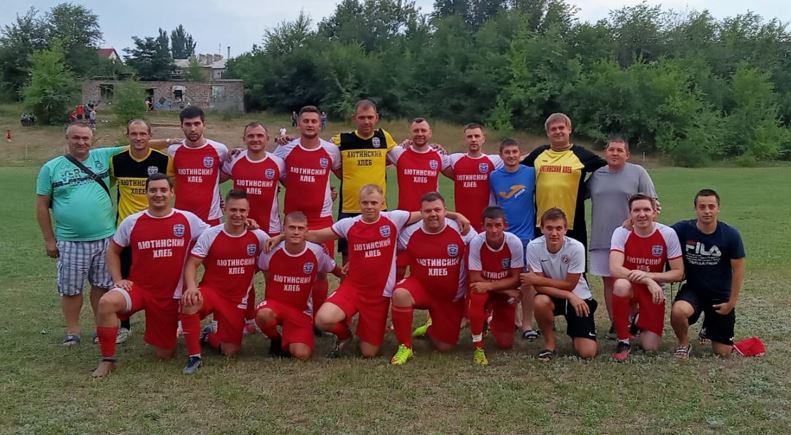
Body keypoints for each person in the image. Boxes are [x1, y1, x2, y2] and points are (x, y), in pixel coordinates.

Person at [274, 184, 413, 358]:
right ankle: (344, 334)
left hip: (379, 294)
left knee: (369, 352)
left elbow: (426, 214)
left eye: (374, 203)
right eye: (365, 203)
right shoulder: (349, 224)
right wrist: (283, 236)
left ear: (382, 202)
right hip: (353, 288)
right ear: (359, 203)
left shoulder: (394, 218)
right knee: (322, 319)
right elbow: (316, 236)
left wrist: (448, 215)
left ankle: (368, 328)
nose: (369, 207)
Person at [92, 173, 209, 377]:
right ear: (146, 193)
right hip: (139, 288)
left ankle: (175, 329)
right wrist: (118, 280)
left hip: (169, 296)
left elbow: (214, 236)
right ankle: (107, 360)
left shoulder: (188, 219)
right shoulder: (132, 222)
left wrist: (246, 224)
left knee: (164, 354)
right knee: (106, 302)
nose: (158, 194)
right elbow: (113, 251)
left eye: (163, 190)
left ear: (172, 192)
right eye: (153, 190)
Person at [35, 122, 125, 345]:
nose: (81, 142)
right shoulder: (51, 168)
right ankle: (73, 331)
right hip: (71, 241)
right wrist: (49, 240)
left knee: (102, 286)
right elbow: (42, 205)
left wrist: (170, 142)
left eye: (85, 138)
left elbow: (136, 144)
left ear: (92, 140)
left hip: (106, 238)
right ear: (67, 139)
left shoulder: (102, 156)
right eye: (76, 138)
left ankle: (100, 328)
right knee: (71, 289)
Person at [179, 190, 269, 374]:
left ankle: (208, 335)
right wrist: (191, 287)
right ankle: (194, 356)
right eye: (233, 210)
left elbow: (278, 247)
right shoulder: (210, 234)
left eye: (242, 211)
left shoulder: (259, 236)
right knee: (190, 301)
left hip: (236, 300)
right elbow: (192, 264)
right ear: (225, 209)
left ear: (248, 211)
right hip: (212, 291)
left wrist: (283, 237)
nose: (238, 214)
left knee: (230, 351)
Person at [390, 192, 476, 365]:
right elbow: (388, 248)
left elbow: (481, 249)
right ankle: (405, 346)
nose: (433, 214)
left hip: (450, 297)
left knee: (445, 347)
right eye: (428, 211)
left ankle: (430, 329)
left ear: (445, 210)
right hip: (421, 290)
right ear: (421, 213)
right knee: (400, 293)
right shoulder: (409, 233)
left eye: (437, 210)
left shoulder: (461, 229)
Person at [110, 119, 176, 342]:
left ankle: (167, 320)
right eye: (134, 133)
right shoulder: (116, 161)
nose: (138, 138)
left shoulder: (164, 160)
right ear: (127, 135)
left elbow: (172, 189)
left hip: (157, 229)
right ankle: (124, 326)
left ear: (150, 135)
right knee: (126, 277)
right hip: (127, 230)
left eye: (142, 134)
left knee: (162, 277)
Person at [273, 105, 341, 322]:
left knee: (321, 271)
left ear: (320, 124)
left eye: (314, 121)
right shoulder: (285, 148)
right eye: (306, 121)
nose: (310, 125)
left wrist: (329, 192)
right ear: (298, 123)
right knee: (293, 270)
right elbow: (274, 171)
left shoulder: (331, 150)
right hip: (293, 220)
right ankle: (293, 313)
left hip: (321, 219)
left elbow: (342, 174)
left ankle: (318, 318)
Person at [587, 138, 657, 338]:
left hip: (631, 237)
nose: (615, 153)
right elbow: (576, 194)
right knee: (609, 282)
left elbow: (653, 204)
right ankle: (616, 322)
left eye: (620, 150)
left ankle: (634, 318)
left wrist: (636, 222)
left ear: (627, 154)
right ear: (605, 152)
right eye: (611, 149)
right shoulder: (597, 175)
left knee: (631, 279)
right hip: (602, 236)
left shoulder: (638, 172)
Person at [255, 211, 341, 360]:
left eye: (300, 228)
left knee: (302, 355)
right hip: (275, 305)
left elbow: (335, 270)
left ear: (306, 231)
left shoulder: (316, 251)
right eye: (292, 227)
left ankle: (293, 334)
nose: (296, 232)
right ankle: (275, 340)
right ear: (284, 229)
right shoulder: (271, 249)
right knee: (264, 314)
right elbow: (264, 272)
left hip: (300, 311)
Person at [670, 189, 746, 358]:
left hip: (720, 295)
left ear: (718, 208)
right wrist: (633, 223)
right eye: (702, 207)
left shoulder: (731, 235)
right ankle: (683, 343)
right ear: (695, 208)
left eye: (711, 206)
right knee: (678, 311)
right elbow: (657, 233)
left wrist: (731, 302)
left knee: (722, 352)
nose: (707, 211)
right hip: (694, 290)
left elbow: (738, 270)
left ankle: (708, 326)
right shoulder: (683, 229)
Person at [609, 193, 684, 361]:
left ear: (654, 212)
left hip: (652, 292)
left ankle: (636, 321)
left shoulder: (667, 234)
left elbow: (678, 273)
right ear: (630, 214)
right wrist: (647, 280)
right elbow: (615, 268)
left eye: (646, 210)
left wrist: (650, 277)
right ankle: (623, 340)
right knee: (620, 285)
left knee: (650, 347)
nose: (641, 214)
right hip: (630, 286)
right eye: (636, 210)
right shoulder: (621, 232)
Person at [521, 113, 606, 250]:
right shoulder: (538, 154)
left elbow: (606, 169)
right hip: (543, 224)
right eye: (553, 129)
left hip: (573, 224)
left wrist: (587, 189)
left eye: (561, 128)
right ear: (548, 133)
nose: (558, 131)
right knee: (541, 262)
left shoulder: (581, 154)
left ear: (569, 129)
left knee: (575, 261)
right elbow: (518, 169)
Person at [522, 208, 598, 360]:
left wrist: (538, 280)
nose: (554, 233)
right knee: (540, 301)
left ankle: (577, 332)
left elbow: (570, 284)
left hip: (578, 297)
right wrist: (569, 295)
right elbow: (539, 288)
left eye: (558, 228)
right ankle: (549, 344)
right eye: (549, 228)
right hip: (555, 295)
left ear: (565, 229)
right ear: (542, 229)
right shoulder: (533, 246)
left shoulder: (576, 247)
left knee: (587, 353)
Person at [331, 99, 398, 262]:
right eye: (362, 117)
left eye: (370, 117)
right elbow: (326, 161)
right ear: (354, 118)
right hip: (349, 208)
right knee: (348, 258)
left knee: (378, 256)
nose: (366, 121)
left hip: (378, 208)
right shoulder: (341, 140)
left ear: (377, 118)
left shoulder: (384, 137)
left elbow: (402, 156)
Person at [489, 138, 539, 340]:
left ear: (520, 154)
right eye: (507, 152)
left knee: (527, 281)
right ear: (501, 155)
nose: (511, 156)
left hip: (526, 236)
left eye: (514, 152)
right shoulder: (494, 176)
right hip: (504, 237)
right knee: (507, 279)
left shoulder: (531, 173)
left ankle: (527, 324)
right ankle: (513, 320)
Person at [466, 206, 524, 365]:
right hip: (492, 289)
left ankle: (488, 318)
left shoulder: (514, 242)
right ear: (482, 226)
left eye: (498, 225)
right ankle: (478, 347)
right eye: (489, 225)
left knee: (506, 343)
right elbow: (475, 278)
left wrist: (493, 287)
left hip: (500, 290)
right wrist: (505, 289)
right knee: (477, 296)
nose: (494, 230)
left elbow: (516, 279)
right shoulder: (477, 242)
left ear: (505, 225)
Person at [167, 106, 228, 225]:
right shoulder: (173, 150)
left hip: (211, 216)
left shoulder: (220, 150)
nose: (193, 129)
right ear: (181, 126)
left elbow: (229, 172)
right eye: (188, 124)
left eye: (197, 124)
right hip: (182, 215)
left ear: (204, 124)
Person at [222, 122, 285, 236]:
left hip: (270, 228)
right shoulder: (233, 160)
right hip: (239, 225)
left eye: (260, 136)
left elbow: (293, 185)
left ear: (267, 139)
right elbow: (212, 180)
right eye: (251, 136)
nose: (255, 139)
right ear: (244, 139)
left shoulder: (278, 162)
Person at [443, 123, 503, 232]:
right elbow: (435, 158)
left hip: (487, 222)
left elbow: (516, 158)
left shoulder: (495, 161)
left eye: (477, 136)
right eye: (470, 136)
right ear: (465, 139)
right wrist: (436, 146)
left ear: (483, 139)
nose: (473, 139)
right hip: (462, 221)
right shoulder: (455, 159)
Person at [388, 117, 449, 212]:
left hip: (430, 214)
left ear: (430, 133)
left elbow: (458, 176)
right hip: (406, 215)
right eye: (416, 131)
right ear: (410, 133)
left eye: (423, 130)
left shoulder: (439, 154)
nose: (420, 134)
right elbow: (378, 161)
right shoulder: (398, 152)